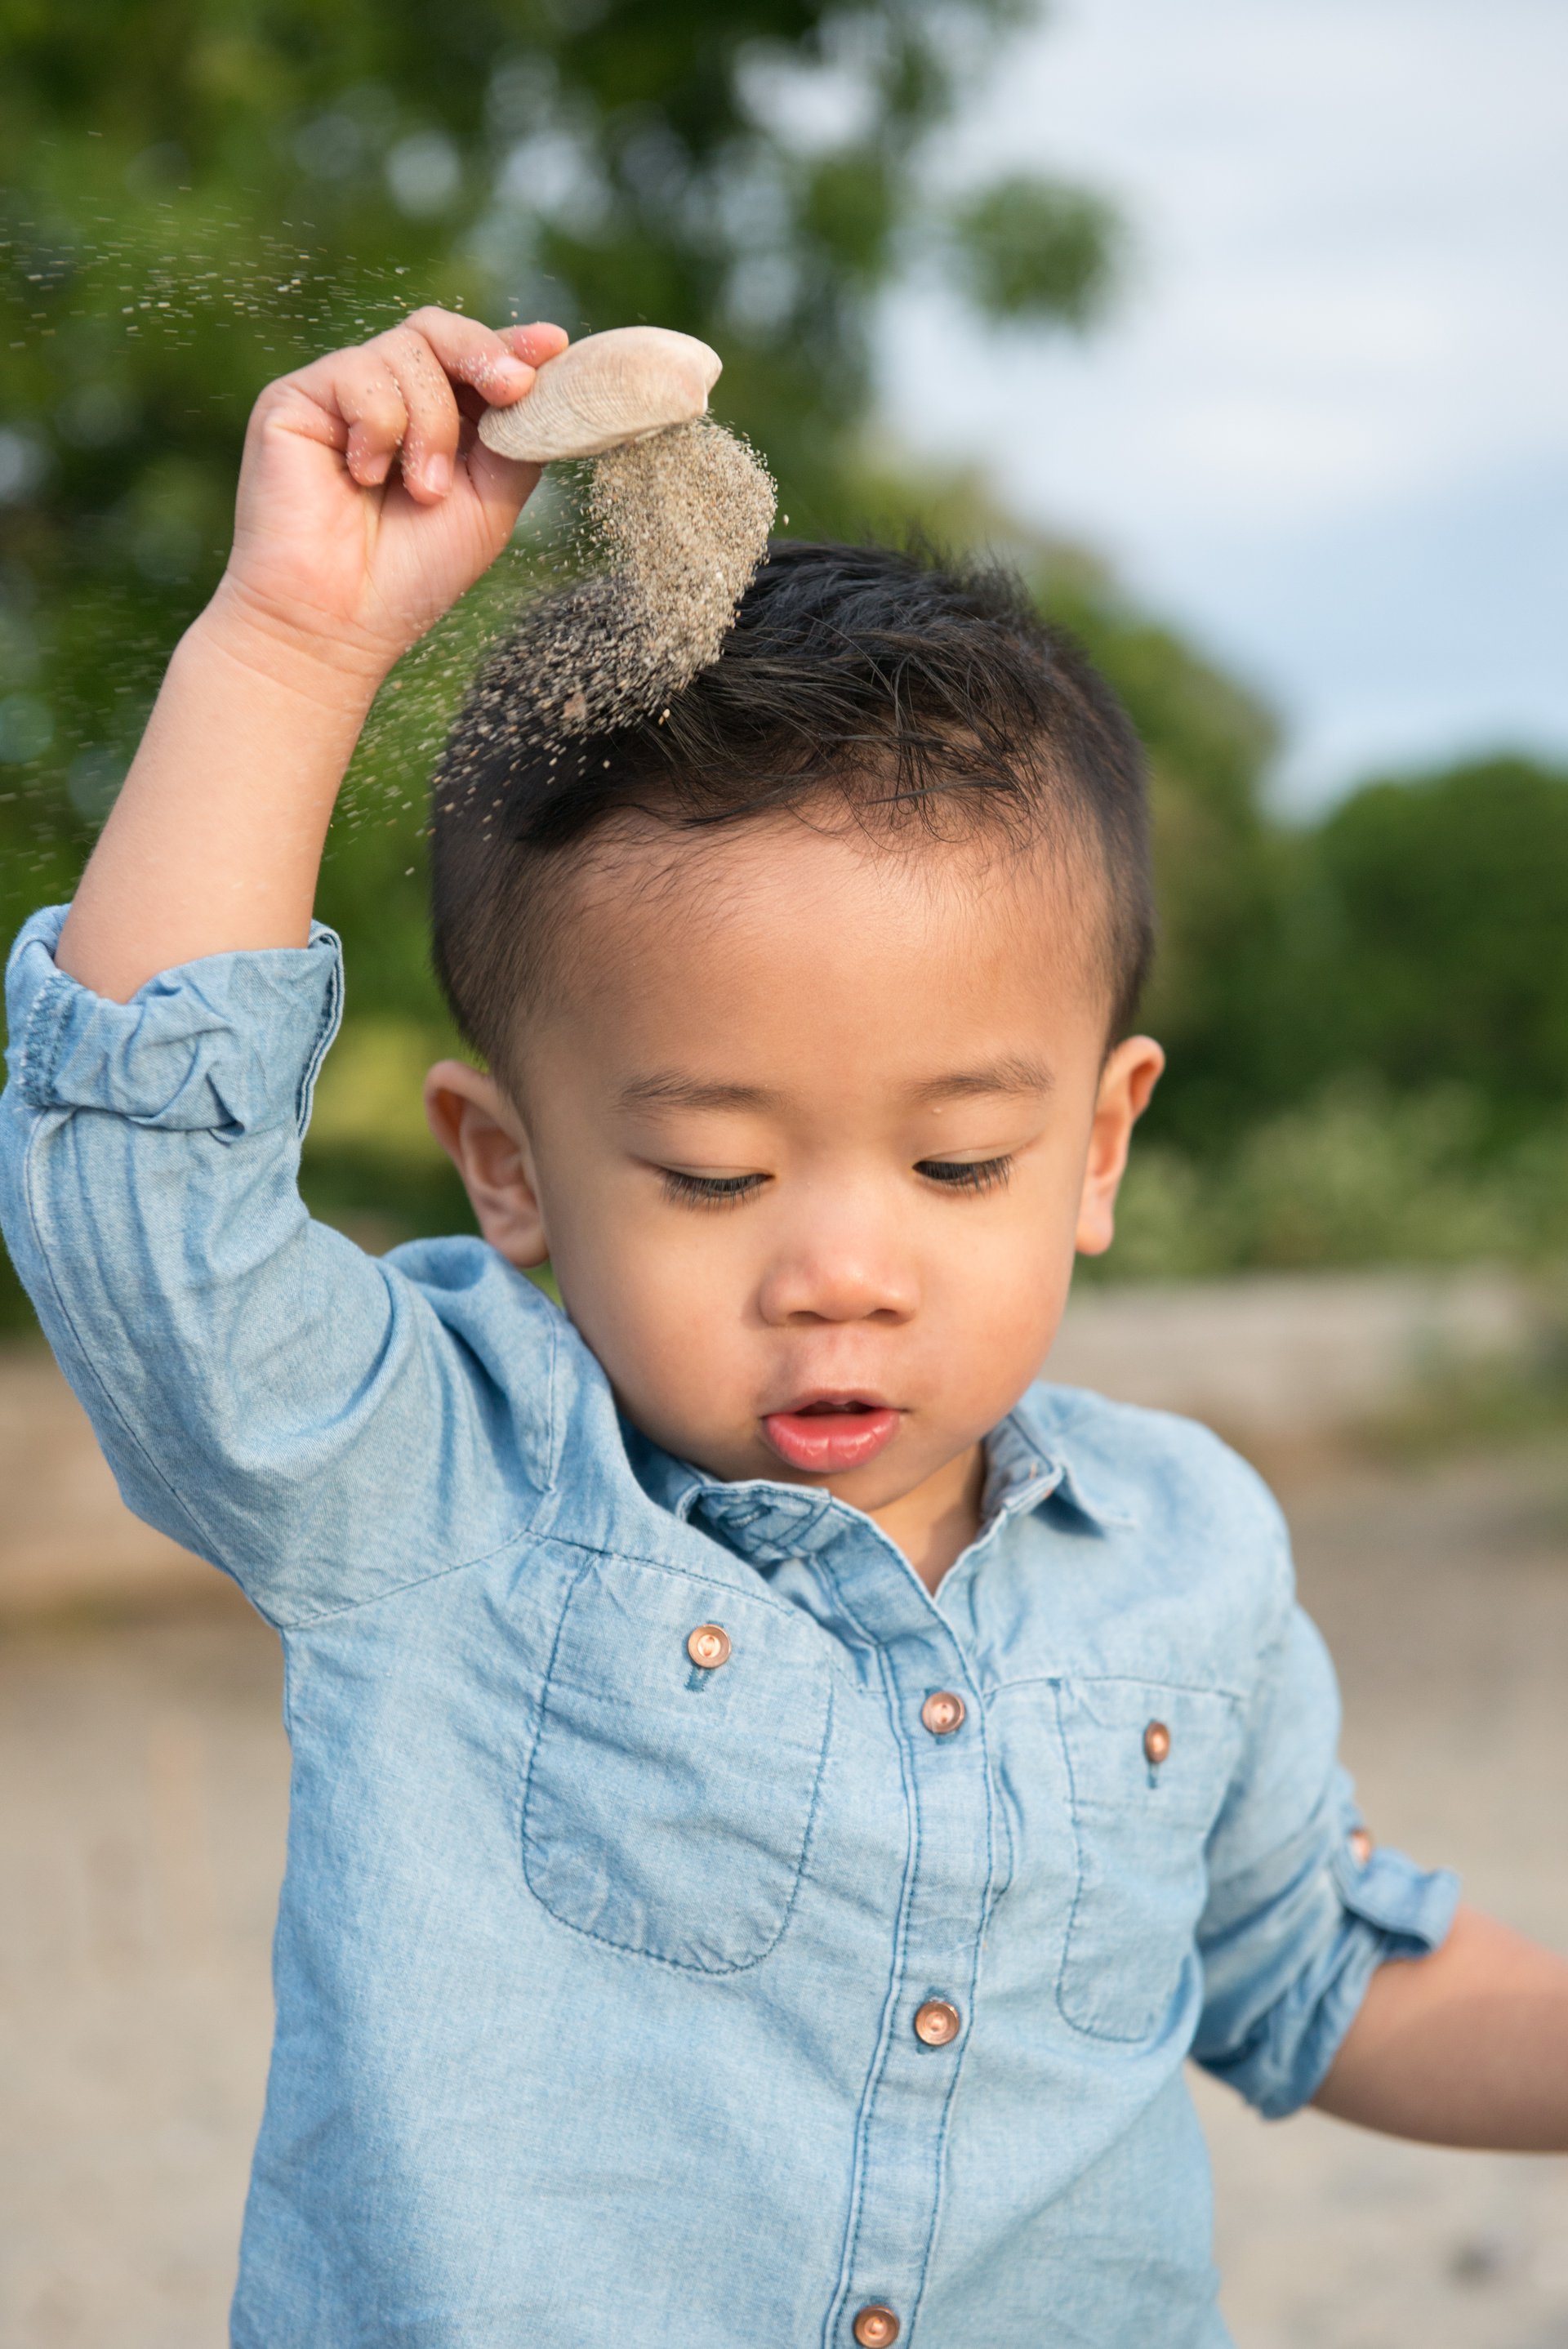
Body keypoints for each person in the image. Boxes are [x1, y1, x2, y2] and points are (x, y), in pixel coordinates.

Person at [2, 308, 1564, 2348]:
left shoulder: (1189, 1558)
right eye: (720, 1176)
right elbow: (151, 1223)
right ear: (511, 1170)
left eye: (959, 1163)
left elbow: (1314, 1966)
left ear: (1099, 1143)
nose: (844, 1267)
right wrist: (294, 645)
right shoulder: (438, 1486)